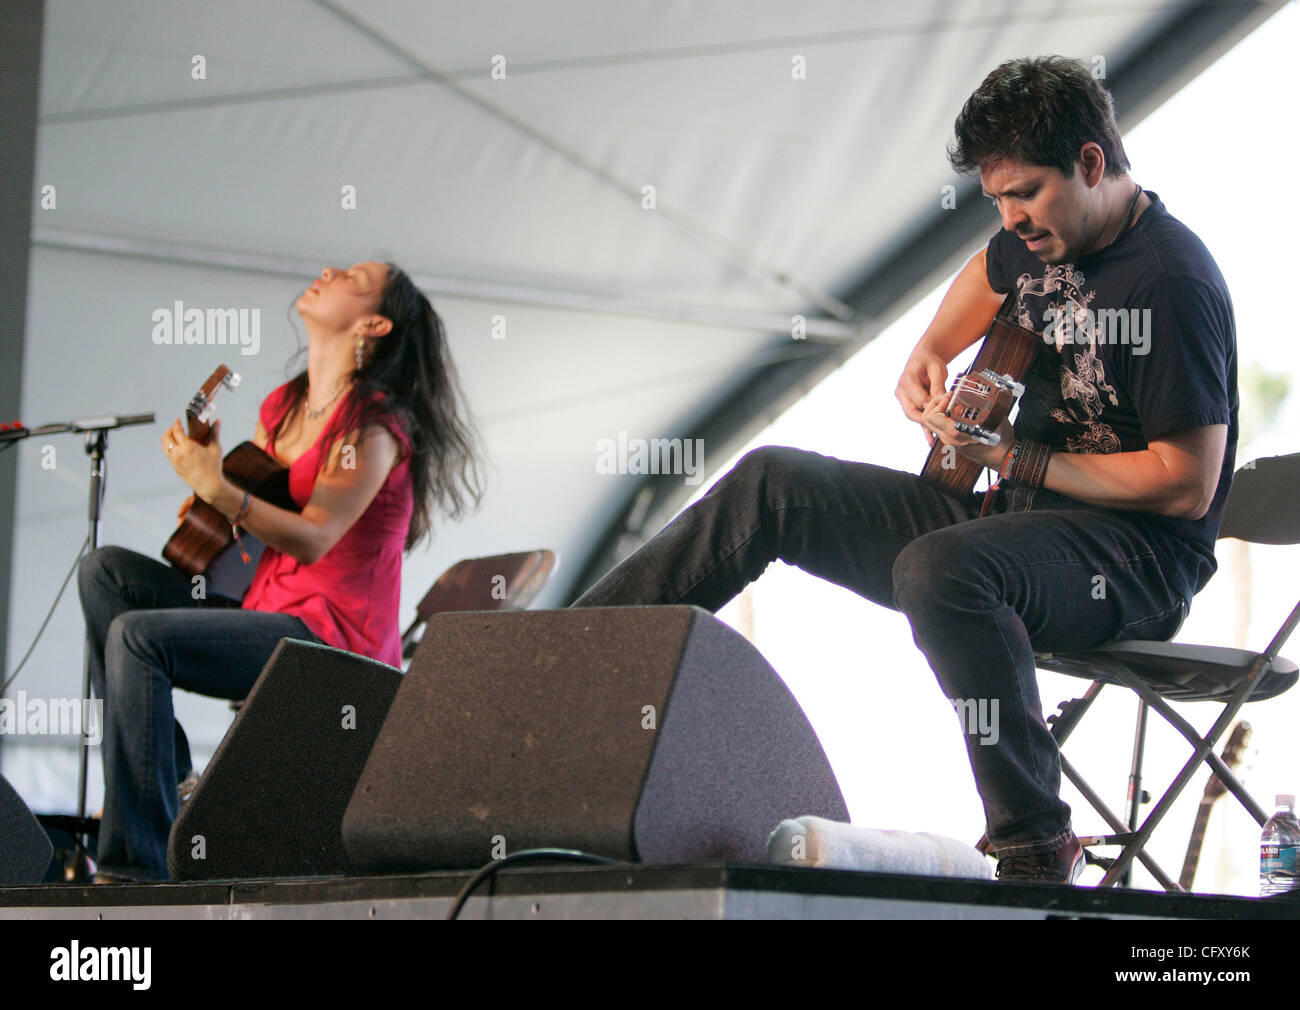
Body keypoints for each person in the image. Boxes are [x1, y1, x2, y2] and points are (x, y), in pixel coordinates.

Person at [572, 56, 1237, 884]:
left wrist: (1015, 456)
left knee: (943, 568)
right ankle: (564, 668)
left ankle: (1034, 842)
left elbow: (1187, 482)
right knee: (773, 481)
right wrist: (924, 359)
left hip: (1135, 560)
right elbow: (984, 276)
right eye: (996, 199)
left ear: (1093, 165)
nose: (1011, 217)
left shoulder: (1171, 279)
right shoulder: (1029, 241)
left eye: (1025, 192)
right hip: (1012, 523)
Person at [78, 261, 483, 882]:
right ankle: (169, 776)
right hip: (267, 612)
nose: (329, 271)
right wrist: (218, 490)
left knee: (137, 638)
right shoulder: (284, 406)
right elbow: (259, 518)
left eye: (352, 276)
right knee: (104, 572)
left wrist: (217, 488)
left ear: (373, 324)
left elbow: (317, 536)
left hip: (331, 641)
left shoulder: (374, 430)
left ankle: (135, 866)